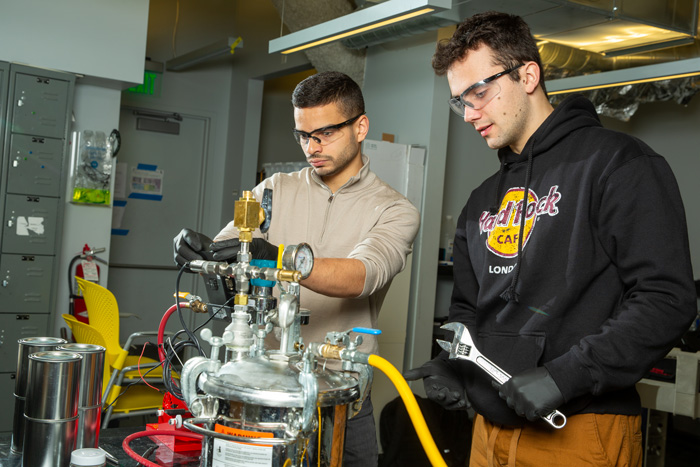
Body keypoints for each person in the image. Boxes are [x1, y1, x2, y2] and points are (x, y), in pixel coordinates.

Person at [404, 11, 696, 467]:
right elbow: (467, 308)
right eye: (459, 101)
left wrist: (565, 376)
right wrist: (456, 367)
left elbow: (666, 298)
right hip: (487, 433)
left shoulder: (618, 164)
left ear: (528, 75)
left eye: (479, 92)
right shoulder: (481, 201)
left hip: (581, 430)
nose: (469, 113)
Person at [174, 71, 420, 466]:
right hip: (267, 387)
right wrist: (199, 250)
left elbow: (363, 274)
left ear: (360, 127)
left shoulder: (394, 209)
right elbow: (230, 250)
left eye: (324, 133)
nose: (311, 146)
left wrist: (276, 255)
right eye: (303, 135)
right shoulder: (275, 189)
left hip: (341, 395)